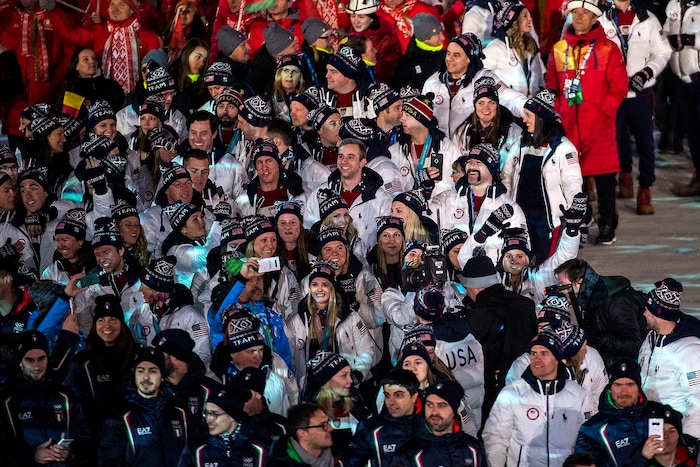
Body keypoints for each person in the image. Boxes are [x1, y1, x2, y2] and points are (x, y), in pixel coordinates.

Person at [545, 0, 628, 245]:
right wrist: (558, 111)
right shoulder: (559, 49)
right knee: (573, 179)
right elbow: (551, 84)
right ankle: (584, 217)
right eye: (575, 13)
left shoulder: (607, 48)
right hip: (569, 125)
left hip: (599, 126)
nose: (579, 17)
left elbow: (619, 86)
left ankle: (607, 224)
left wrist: (605, 112)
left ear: (595, 19)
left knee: (604, 180)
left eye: (585, 13)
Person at [599, 0, 671, 214]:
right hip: (613, 93)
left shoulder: (647, 18)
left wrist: (646, 72)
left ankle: (645, 188)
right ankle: (625, 174)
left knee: (645, 142)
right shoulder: (602, 18)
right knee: (616, 139)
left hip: (641, 94)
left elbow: (662, 51)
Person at [501, 89, 584, 265]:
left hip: (548, 222)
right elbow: (507, 176)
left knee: (547, 267)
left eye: (528, 115)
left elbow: (572, 181)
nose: (524, 120)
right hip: (521, 219)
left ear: (540, 119)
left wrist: (575, 206)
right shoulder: (521, 144)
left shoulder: (563, 148)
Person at [482, 332, 587, 467]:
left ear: (557, 357)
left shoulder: (578, 394)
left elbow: (585, 440)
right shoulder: (511, 393)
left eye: (544, 353)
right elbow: (495, 439)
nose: (537, 359)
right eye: (533, 353)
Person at [460, 255, 537, 426]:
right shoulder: (526, 304)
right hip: (529, 382)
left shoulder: (480, 313)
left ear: (472, 287)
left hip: (496, 389)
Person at [0, 329, 92, 465]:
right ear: (20, 362)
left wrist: (71, 452)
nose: (36, 366)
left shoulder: (66, 396)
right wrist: (32, 455)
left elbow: (86, 438)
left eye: (41, 358)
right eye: (30, 360)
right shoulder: (7, 401)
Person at [286, 260, 377, 390]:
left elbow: (366, 349)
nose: (319, 289)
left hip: (343, 386)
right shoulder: (297, 319)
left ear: (332, 287)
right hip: (310, 389)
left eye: (325, 284)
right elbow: (290, 357)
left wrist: (356, 375)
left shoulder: (349, 317)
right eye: (314, 284)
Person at [422, 33, 527, 138]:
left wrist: (530, 109)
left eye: (456, 55)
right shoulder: (433, 82)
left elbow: (511, 98)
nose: (449, 59)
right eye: (448, 53)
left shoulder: (485, 78)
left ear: (468, 58)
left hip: (469, 149)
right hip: (440, 149)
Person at [99, 347, 189, 466]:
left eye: (153, 371)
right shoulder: (119, 416)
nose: (146, 377)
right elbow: (109, 462)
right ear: (134, 375)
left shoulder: (179, 411)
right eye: (140, 371)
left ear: (162, 376)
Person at [554, 258, 647, 370]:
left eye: (563, 286)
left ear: (579, 282)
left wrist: (598, 337)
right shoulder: (589, 299)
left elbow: (634, 346)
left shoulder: (616, 303)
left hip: (624, 371)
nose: (561, 292)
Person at [575, 357, 670, 466]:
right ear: (610, 388)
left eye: (630, 384)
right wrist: (642, 457)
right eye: (618, 385)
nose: (623, 391)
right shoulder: (592, 430)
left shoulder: (659, 414)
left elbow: (680, 454)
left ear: (639, 387)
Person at [639, 278, 700, 444]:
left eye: (648, 310)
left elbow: (697, 402)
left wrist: (688, 441)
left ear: (659, 313)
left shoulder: (690, 352)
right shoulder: (651, 338)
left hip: (674, 435)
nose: (644, 313)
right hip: (651, 427)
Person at [304, 138, 392, 248]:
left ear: (362, 162)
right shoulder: (320, 194)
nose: (344, 161)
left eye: (350, 157)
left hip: (365, 263)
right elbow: (309, 232)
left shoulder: (381, 198)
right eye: (341, 156)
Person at [389, 381, 487, 467]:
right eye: (430, 405)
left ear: (455, 410)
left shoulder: (473, 448)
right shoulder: (408, 454)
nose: (434, 412)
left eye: (442, 405)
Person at [341, 369, 422, 467]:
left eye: (398, 395)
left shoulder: (428, 425)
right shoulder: (371, 428)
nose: (391, 402)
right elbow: (350, 462)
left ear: (413, 396)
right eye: (387, 395)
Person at [152, 328, 218, 443]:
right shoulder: (154, 388)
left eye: (159, 354)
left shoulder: (210, 391)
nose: (152, 358)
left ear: (175, 356)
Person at [389, 93, 461, 197]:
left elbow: (459, 185)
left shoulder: (449, 149)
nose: (401, 119)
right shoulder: (394, 151)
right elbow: (388, 188)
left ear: (421, 120)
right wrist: (417, 181)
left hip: (439, 211)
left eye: (407, 115)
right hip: (407, 210)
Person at [177, 387, 267, 467]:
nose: (208, 419)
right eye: (206, 413)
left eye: (214, 414)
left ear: (233, 416)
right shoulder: (196, 450)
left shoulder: (262, 449)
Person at [665, 0, 700, 197]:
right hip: (680, 79)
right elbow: (664, 32)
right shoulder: (674, 5)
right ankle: (698, 174)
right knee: (692, 131)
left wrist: (689, 39)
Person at [483, 2, 545, 97]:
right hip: (507, 108)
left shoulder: (531, 46)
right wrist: (506, 94)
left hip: (530, 107)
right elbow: (482, 77)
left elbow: (540, 80)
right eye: (525, 16)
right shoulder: (495, 49)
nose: (530, 19)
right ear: (514, 21)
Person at [346, 0, 402, 84]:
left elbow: (385, 73)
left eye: (361, 17)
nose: (356, 21)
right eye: (353, 16)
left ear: (372, 18)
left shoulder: (385, 40)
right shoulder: (348, 36)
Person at [268, 403, 339, 467]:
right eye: (323, 425)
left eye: (328, 423)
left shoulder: (339, 451)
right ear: (303, 434)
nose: (330, 428)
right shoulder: (282, 463)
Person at [390, 13, 446, 90]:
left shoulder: (447, 57)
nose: (442, 37)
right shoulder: (406, 66)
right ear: (425, 37)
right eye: (437, 34)